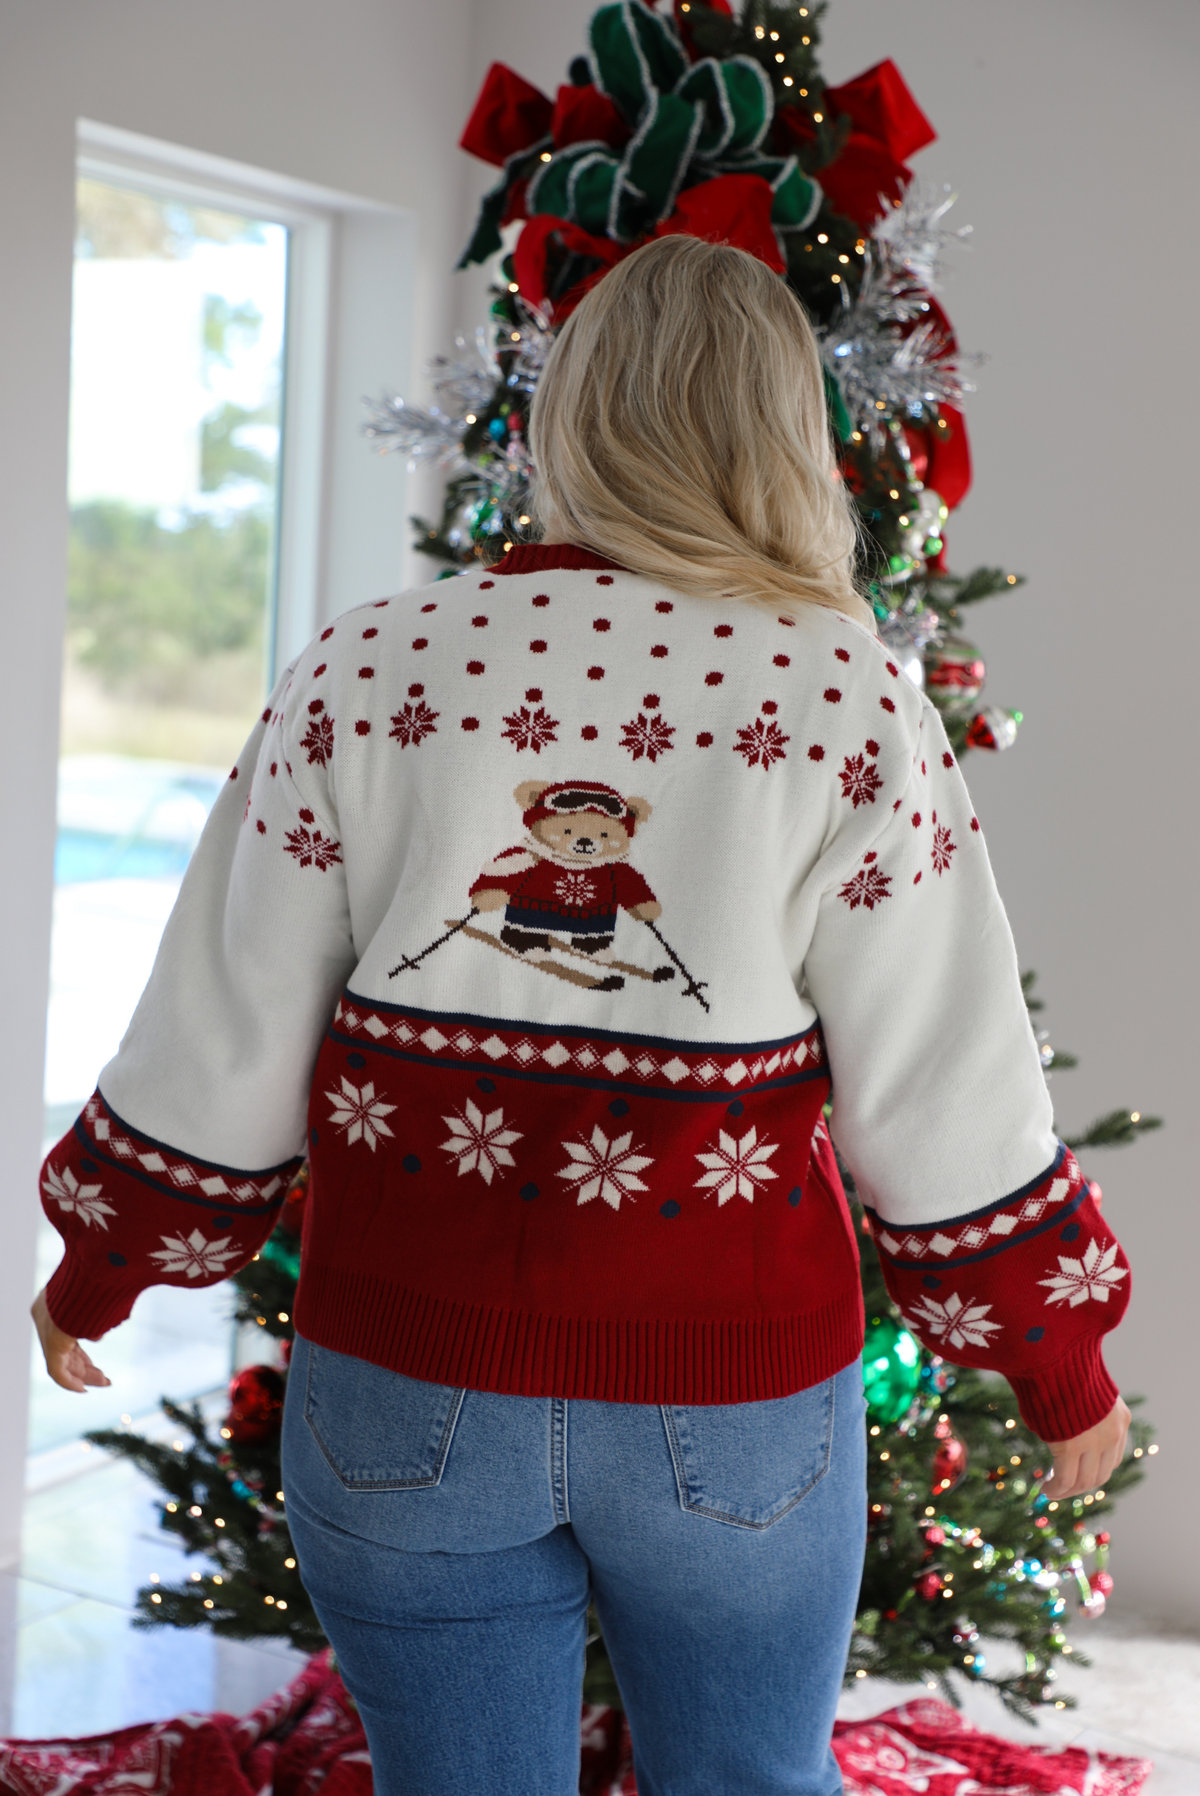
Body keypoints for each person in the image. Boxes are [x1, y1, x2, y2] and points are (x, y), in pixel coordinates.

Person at [34, 236, 1130, 1796]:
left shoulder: (373, 665)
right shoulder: (848, 695)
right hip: (734, 1410)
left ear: (569, 414)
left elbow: (222, 1028)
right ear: (788, 433)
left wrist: (109, 1256)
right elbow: (945, 1085)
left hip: (404, 1383)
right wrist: (1054, 1354)